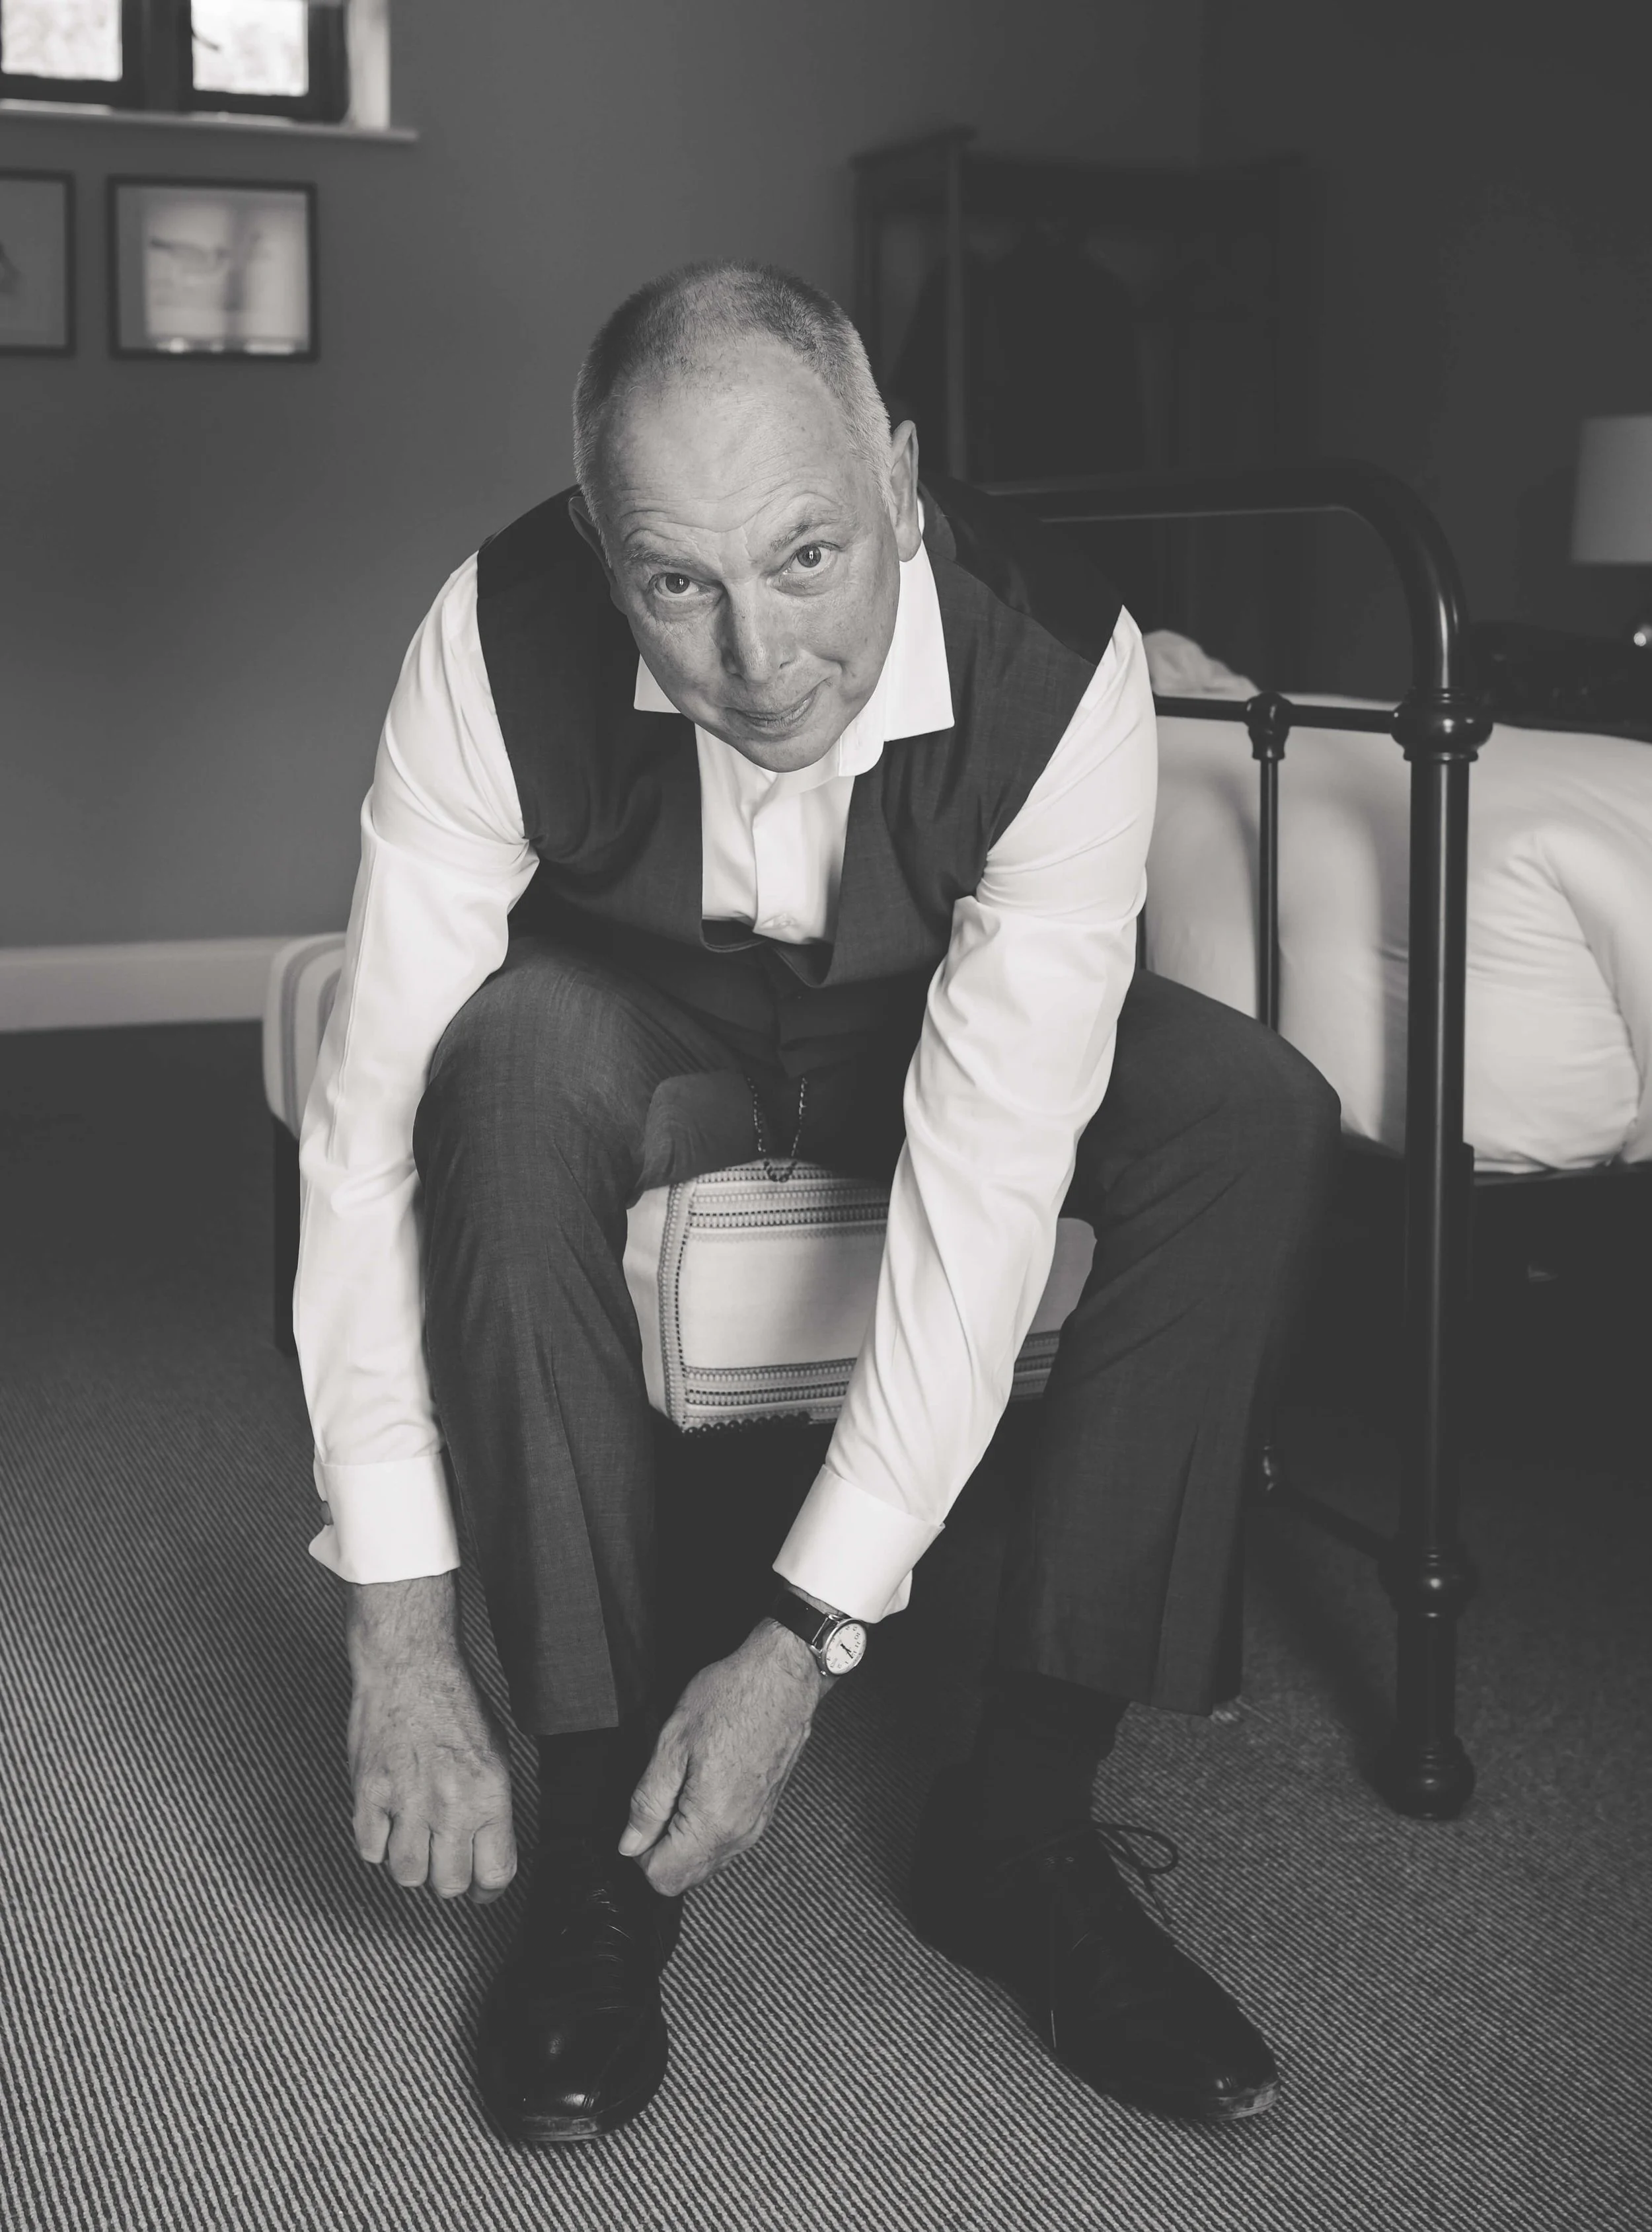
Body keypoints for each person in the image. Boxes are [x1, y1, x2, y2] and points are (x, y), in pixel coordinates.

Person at [296, 260, 1339, 2145]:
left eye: (805, 561)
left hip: (922, 1012)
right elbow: (365, 1126)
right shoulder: (488, 636)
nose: (759, 661)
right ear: (605, 560)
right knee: (504, 1060)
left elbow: (986, 1175)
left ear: (903, 491)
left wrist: (804, 1640)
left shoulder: (1060, 665)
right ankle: (592, 1836)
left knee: (1244, 1111)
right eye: (675, 586)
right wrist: (396, 1617)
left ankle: (1015, 1827)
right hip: (644, 1013)